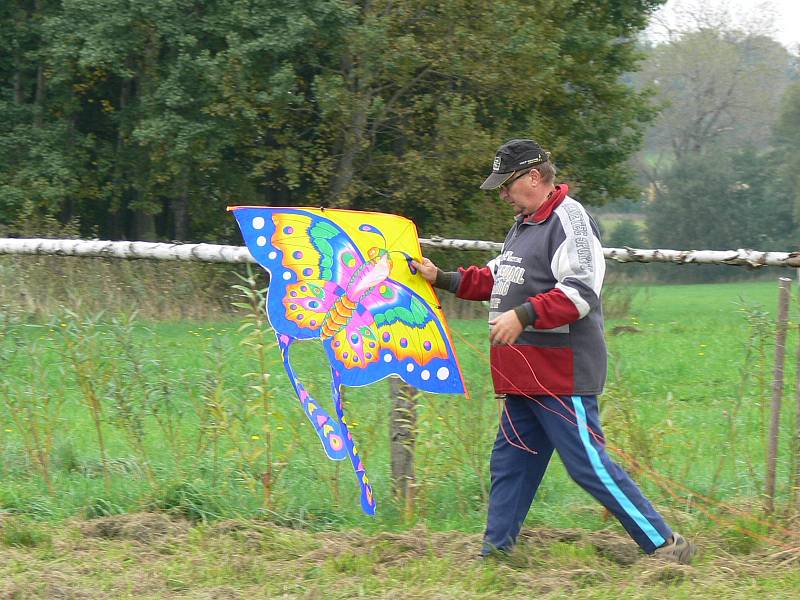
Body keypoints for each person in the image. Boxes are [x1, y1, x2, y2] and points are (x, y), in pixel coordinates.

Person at [411, 139, 694, 564]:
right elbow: (498, 278)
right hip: (524, 375)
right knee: (510, 463)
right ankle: (496, 555)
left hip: (563, 374)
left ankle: (664, 544)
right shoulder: (524, 223)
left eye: (507, 185)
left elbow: (580, 292)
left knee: (586, 466)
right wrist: (444, 278)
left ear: (534, 177)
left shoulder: (571, 222)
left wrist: (523, 315)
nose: (503, 195)